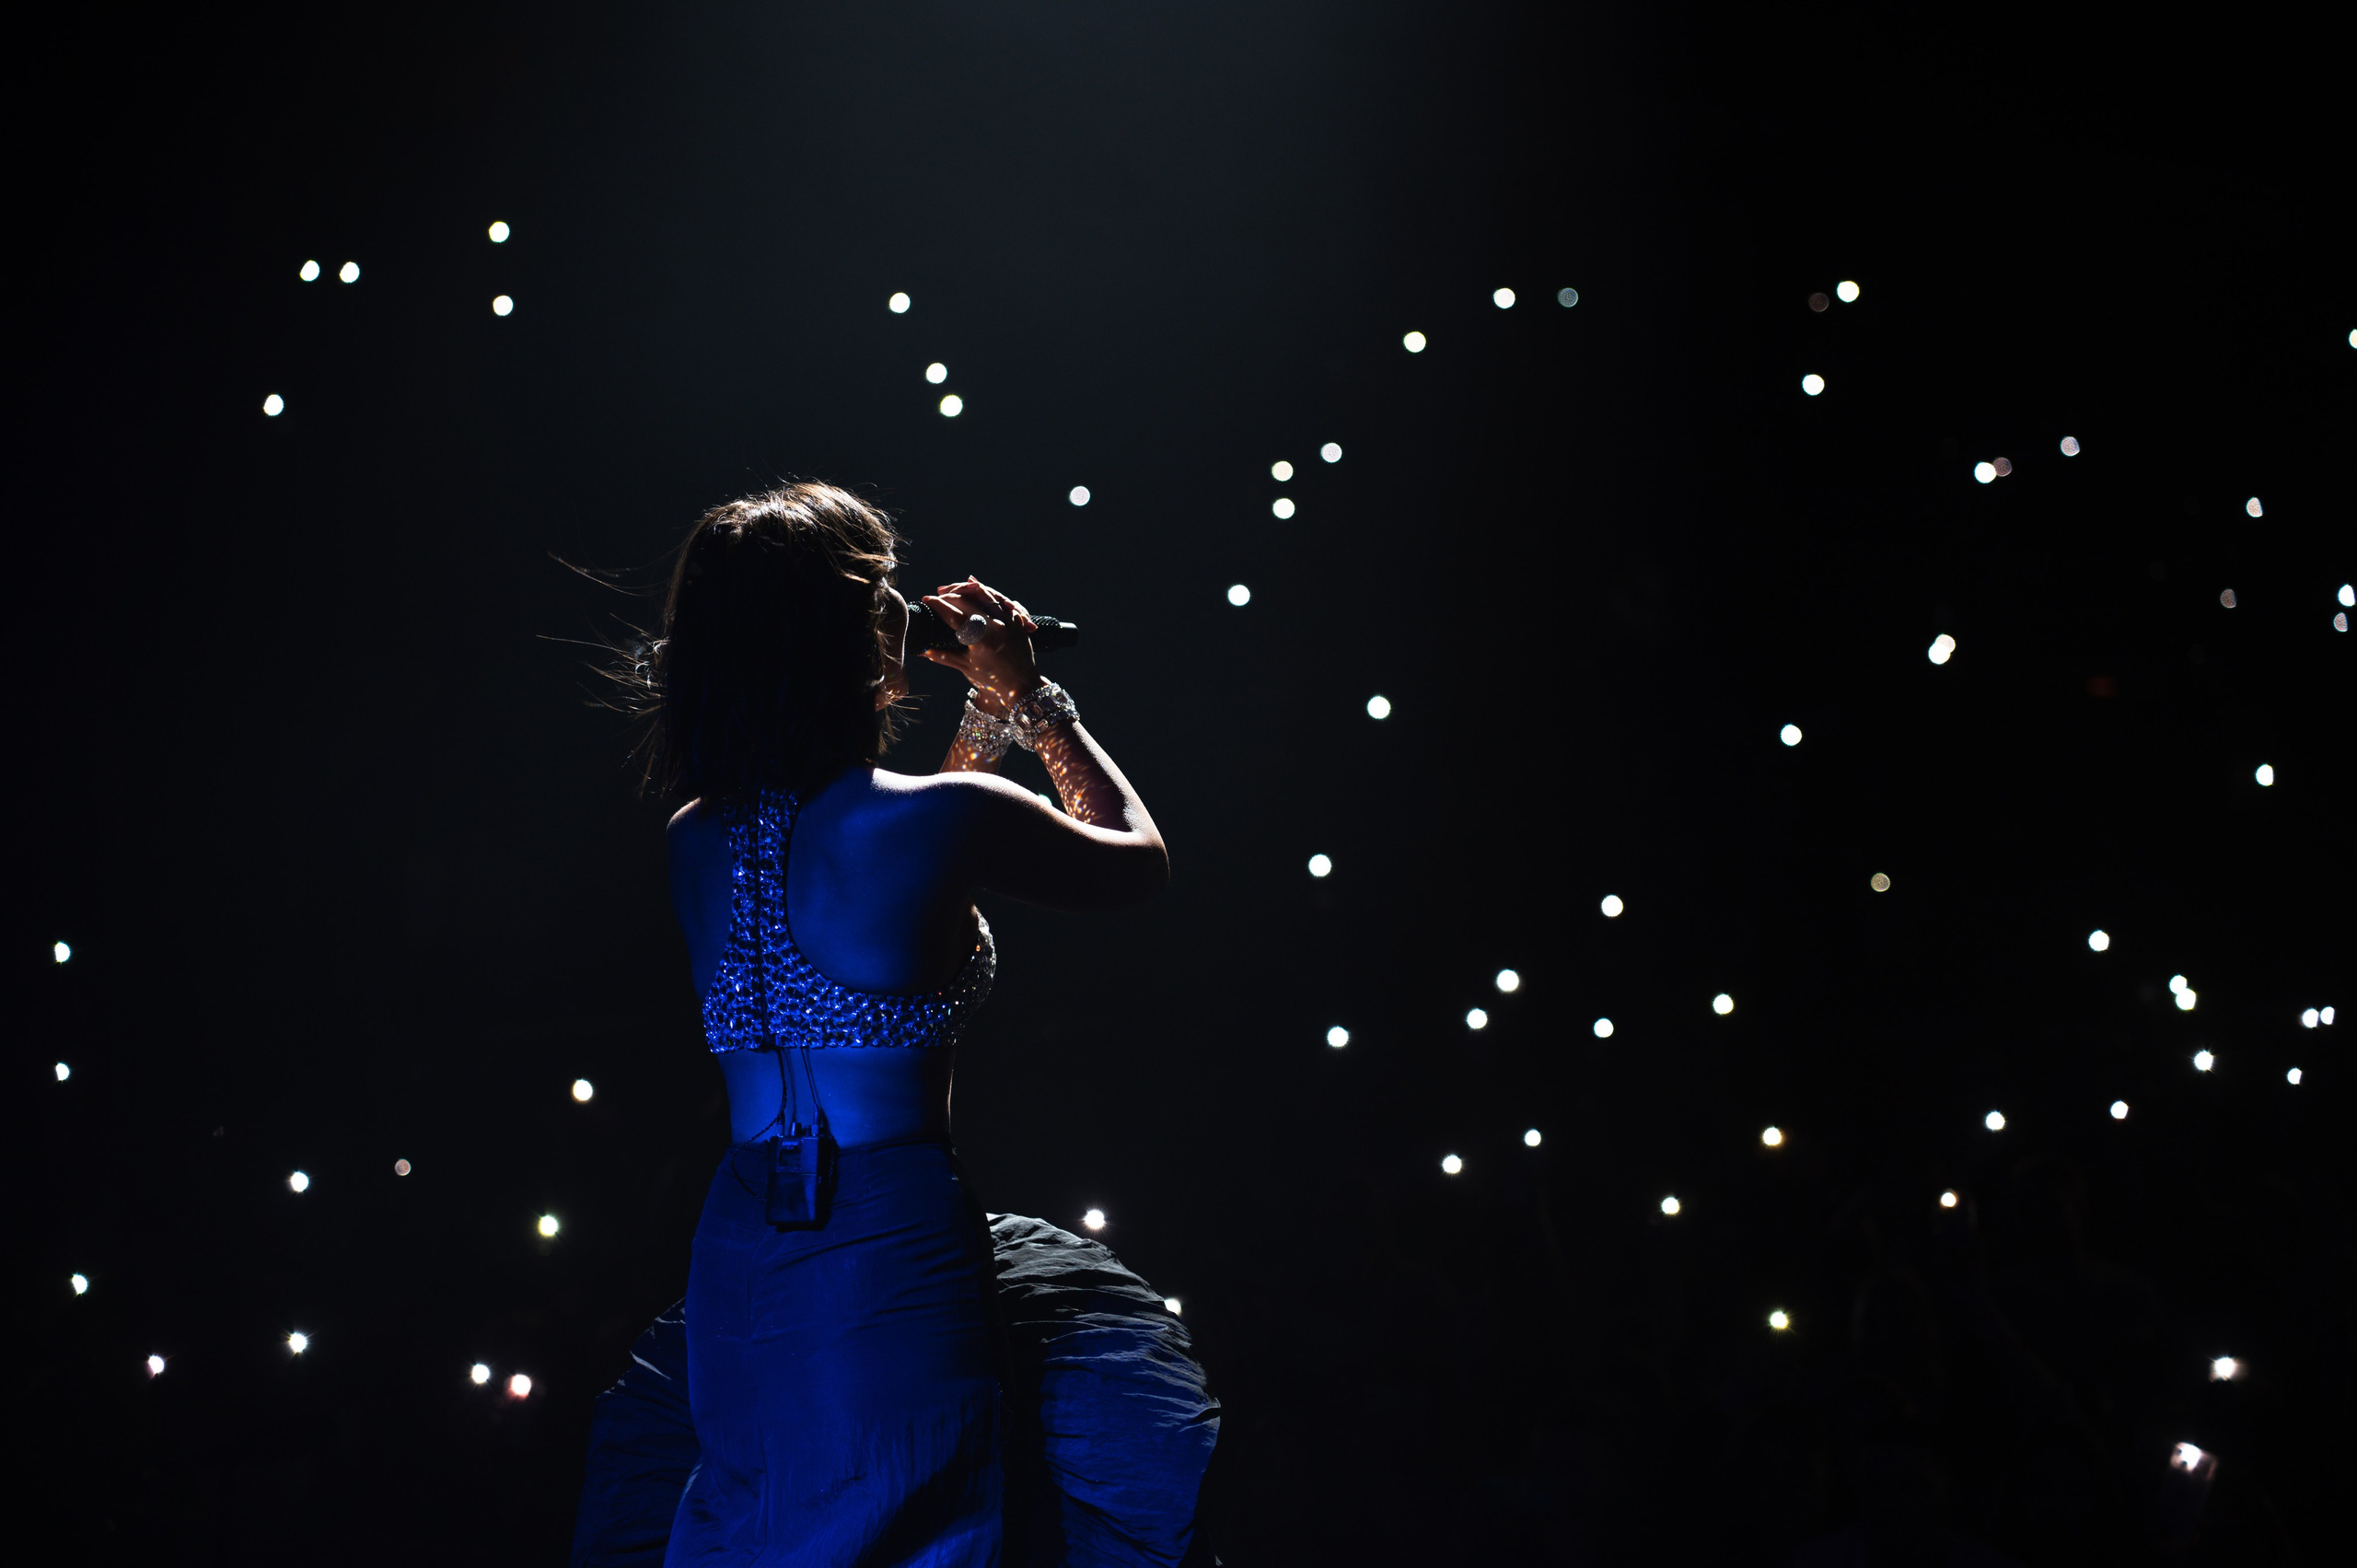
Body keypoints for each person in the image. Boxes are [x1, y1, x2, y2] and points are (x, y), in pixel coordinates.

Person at [580, 484, 1218, 1567]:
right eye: (881, 589)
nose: (902, 605)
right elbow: (1134, 860)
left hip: (743, 1248)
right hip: (889, 1238)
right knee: (908, 1519)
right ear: (847, 631)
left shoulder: (695, 836)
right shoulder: (936, 821)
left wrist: (980, 718)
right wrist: (1032, 697)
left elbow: (912, 869)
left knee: (769, 1526)